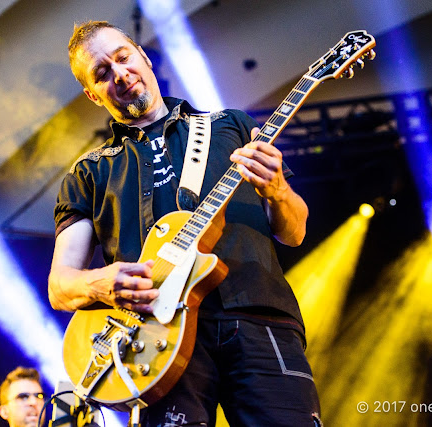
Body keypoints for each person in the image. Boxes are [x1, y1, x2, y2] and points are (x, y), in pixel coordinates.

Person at [48, 20, 321, 426]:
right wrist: (102, 283)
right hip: (155, 341)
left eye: (123, 58)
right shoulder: (89, 172)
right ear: (92, 94)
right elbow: (60, 285)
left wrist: (278, 189)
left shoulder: (229, 127)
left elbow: (294, 231)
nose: (119, 75)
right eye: (102, 74)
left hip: (259, 320)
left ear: (143, 56)